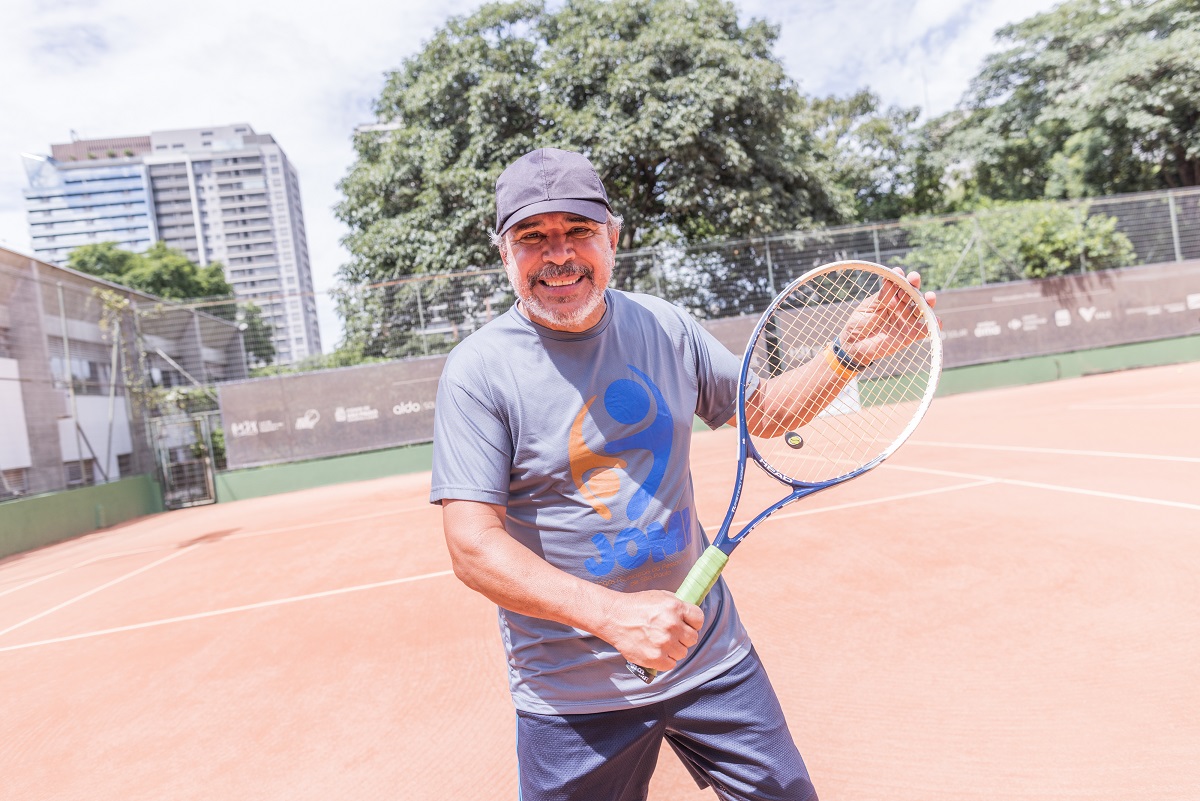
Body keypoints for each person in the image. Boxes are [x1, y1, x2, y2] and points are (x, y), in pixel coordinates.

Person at [430, 147, 937, 801]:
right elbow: (473, 547)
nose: (558, 254)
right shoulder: (477, 371)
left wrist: (848, 353)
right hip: (572, 694)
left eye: (578, 231)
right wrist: (612, 617)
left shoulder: (665, 325)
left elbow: (764, 410)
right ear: (505, 253)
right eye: (533, 237)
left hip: (710, 657)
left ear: (612, 237)